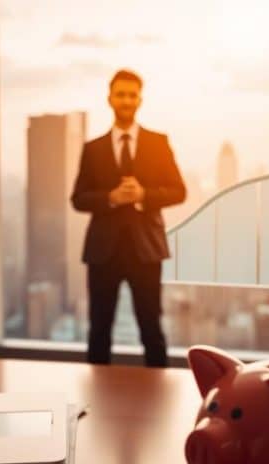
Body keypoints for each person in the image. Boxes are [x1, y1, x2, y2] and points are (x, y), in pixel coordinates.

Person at [70, 69, 186, 367]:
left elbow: (179, 191)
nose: (126, 100)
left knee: (152, 330)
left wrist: (143, 195)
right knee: (99, 332)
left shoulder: (158, 143)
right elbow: (78, 199)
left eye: (132, 95)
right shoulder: (92, 149)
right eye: (120, 94)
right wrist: (112, 197)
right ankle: (94, 404)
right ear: (110, 98)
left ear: (140, 100)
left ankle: (159, 404)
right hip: (103, 252)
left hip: (145, 250)